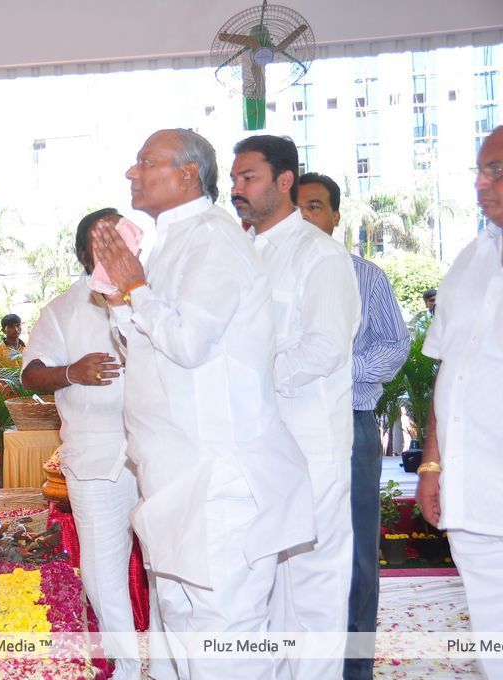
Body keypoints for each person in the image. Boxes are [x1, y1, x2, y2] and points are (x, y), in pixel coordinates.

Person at [93, 129, 315, 680]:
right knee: (182, 627)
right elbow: (148, 347)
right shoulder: (168, 240)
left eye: (145, 161)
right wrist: (122, 299)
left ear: (188, 173)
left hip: (218, 476)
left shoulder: (214, 239)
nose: (131, 172)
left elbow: (190, 342)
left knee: (224, 634)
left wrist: (136, 288)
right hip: (173, 473)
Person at [232, 136, 360, 680]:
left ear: (285, 182)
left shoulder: (319, 254)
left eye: (249, 178)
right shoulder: (242, 252)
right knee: (272, 588)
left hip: (310, 443)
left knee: (313, 588)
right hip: (261, 444)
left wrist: (248, 382)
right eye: (235, 179)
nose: (237, 189)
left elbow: (326, 347)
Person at [23, 207, 163, 680]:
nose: (117, 247)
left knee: (169, 566)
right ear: (85, 253)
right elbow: (30, 375)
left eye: (123, 237)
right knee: (104, 572)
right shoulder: (62, 309)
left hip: (162, 452)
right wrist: (71, 372)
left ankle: (168, 668)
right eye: (104, 241)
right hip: (95, 457)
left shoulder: (154, 295)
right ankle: (126, 668)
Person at [298, 172, 410, 680]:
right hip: (282, 430)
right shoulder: (264, 276)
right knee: (289, 552)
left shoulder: (365, 275)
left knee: (358, 556)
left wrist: (338, 371)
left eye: (316, 207)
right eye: (297, 207)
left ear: (336, 216)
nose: (305, 217)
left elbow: (394, 344)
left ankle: (353, 668)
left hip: (350, 421)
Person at [417, 125, 503, 680]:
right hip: (474, 487)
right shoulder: (470, 260)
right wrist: (430, 464)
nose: (479, 183)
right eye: (479, 170)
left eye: (494, 170)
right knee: (491, 625)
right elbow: (450, 370)